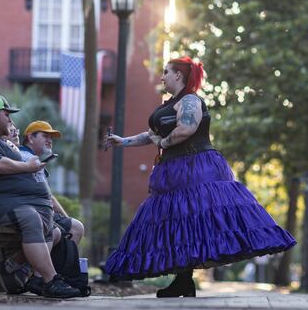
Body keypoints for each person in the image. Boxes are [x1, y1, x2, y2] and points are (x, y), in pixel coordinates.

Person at [104, 57, 297, 297]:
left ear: (178, 75)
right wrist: (123, 141)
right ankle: (183, 281)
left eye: (166, 72)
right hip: (174, 170)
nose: (162, 77)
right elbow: (152, 134)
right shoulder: (171, 103)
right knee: (180, 223)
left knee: (194, 219)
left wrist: (163, 142)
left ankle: (184, 281)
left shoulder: (191, 100)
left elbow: (187, 128)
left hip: (197, 167)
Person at [0, 95, 80, 298]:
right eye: (7, 115)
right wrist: (28, 166)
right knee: (30, 217)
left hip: (7, 205)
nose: (10, 120)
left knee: (53, 229)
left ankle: (21, 272)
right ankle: (51, 281)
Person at [18, 120, 86, 294]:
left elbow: (48, 195)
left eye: (51, 137)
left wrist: (65, 218)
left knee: (75, 227)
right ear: (30, 138)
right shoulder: (23, 157)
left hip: (41, 211)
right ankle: (43, 279)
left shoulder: (37, 161)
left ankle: (56, 278)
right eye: (45, 136)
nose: (49, 140)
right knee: (67, 229)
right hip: (30, 213)